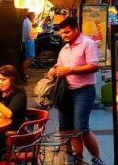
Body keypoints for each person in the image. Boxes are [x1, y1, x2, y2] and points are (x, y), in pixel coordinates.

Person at [47, 17, 104, 165]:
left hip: (83, 91)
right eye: (62, 33)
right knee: (65, 128)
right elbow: (59, 66)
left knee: (81, 128)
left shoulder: (88, 44)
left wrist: (70, 70)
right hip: (65, 92)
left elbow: (93, 66)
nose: (63, 36)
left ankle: (96, 158)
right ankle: (74, 157)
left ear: (76, 30)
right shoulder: (64, 49)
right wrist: (53, 70)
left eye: (67, 32)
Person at [22, 11, 36, 81]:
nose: (34, 16)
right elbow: (29, 35)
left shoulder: (25, 21)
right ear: (30, 15)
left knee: (27, 58)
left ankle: (23, 73)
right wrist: (34, 36)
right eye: (33, 14)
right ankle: (23, 74)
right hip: (28, 42)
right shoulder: (28, 22)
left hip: (26, 41)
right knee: (30, 57)